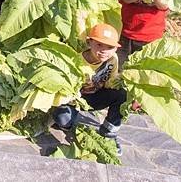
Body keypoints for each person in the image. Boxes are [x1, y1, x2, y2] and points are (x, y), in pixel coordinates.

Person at [52, 23, 127, 156]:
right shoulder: (76, 60)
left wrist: (127, 85)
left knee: (122, 94)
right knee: (63, 119)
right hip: (73, 99)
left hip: (95, 97)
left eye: (109, 47)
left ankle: (109, 133)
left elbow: (111, 83)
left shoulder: (112, 60)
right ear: (89, 42)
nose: (104, 50)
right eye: (99, 45)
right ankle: (68, 121)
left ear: (115, 49)